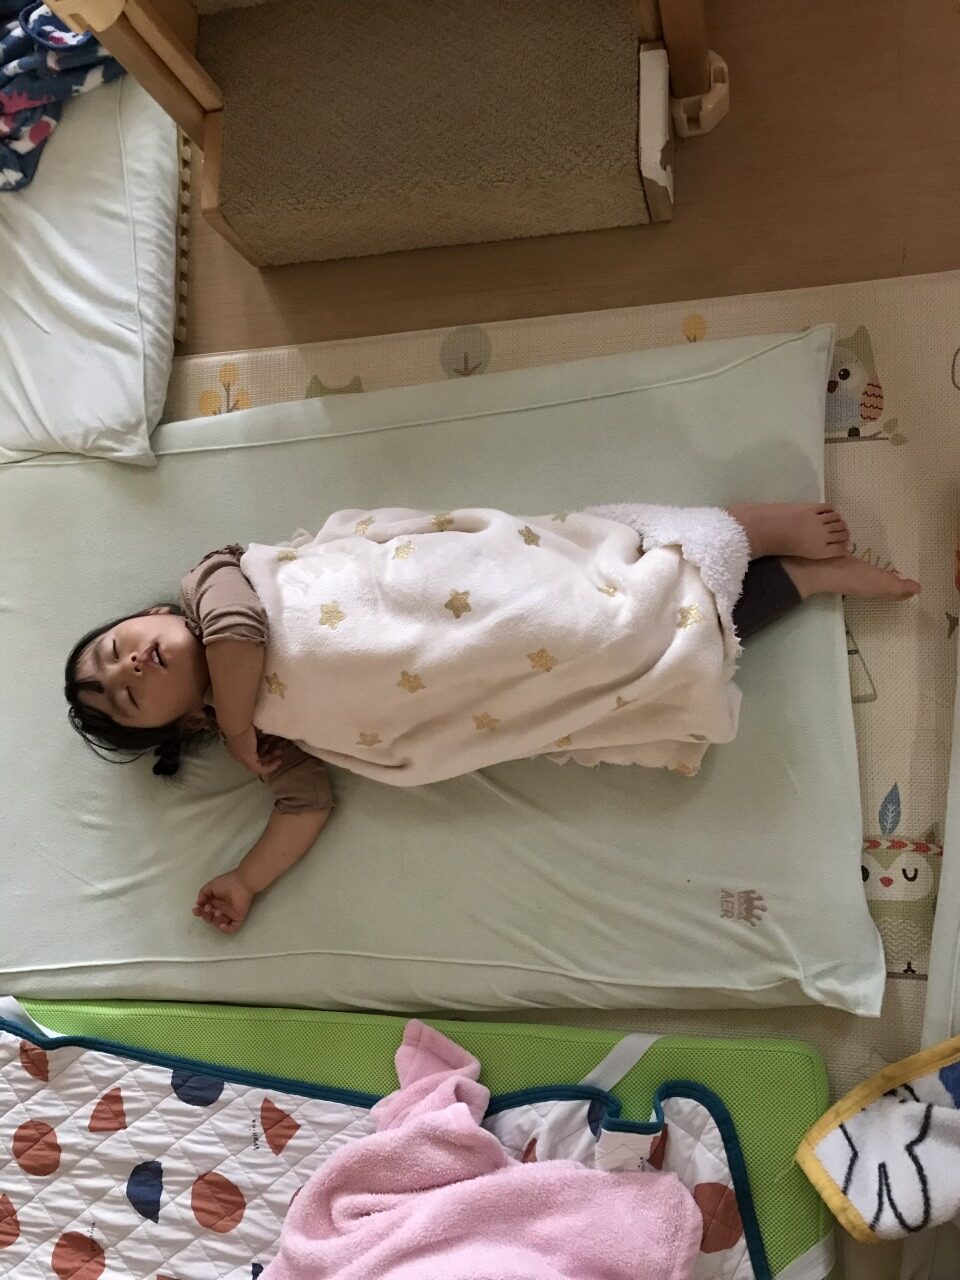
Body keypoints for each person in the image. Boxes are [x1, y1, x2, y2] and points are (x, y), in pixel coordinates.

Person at [64, 502, 919, 935]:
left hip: (443, 595)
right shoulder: (260, 740)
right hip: (465, 682)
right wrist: (248, 879)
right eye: (127, 696)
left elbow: (239, 633)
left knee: (574, 605)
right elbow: (306, 801)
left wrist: (239, 727)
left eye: (115, 649)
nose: (129, 667)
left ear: (150, 617)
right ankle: (801, 583)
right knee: (613, 663)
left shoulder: (216, 582)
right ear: (177, 728)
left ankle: (740, 529)